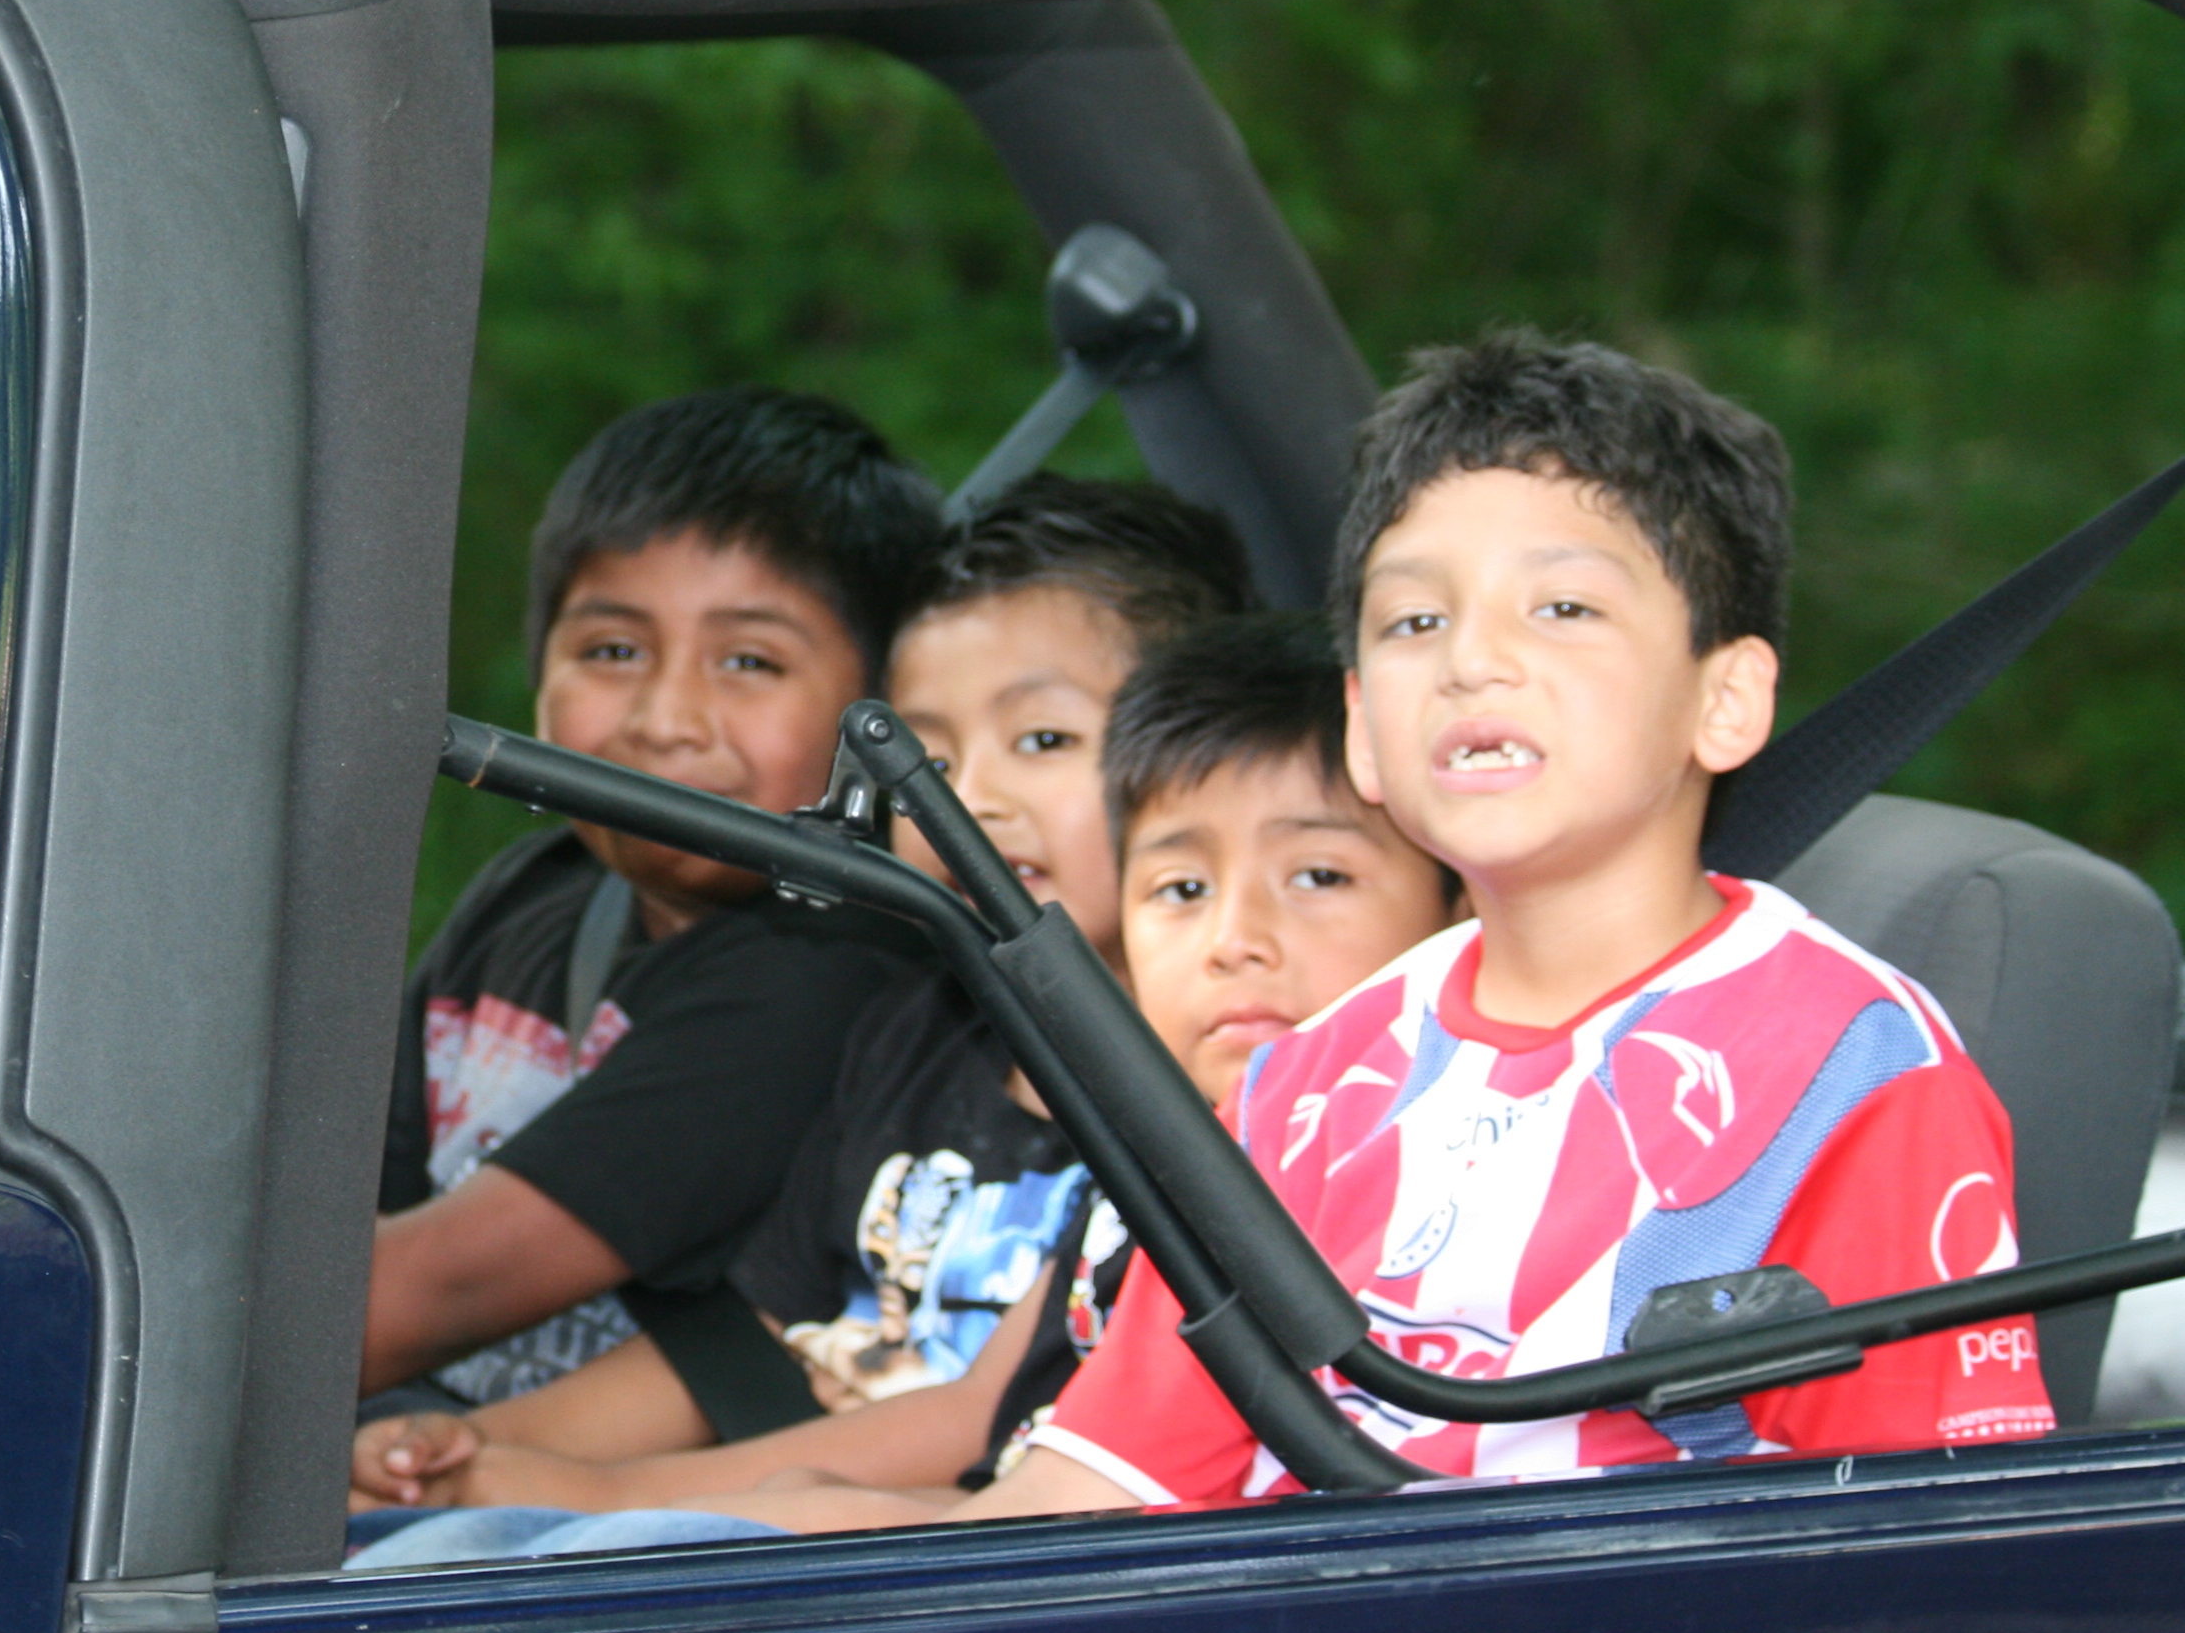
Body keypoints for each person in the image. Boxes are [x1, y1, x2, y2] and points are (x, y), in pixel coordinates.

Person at [961, 331, 2051, 1518]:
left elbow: (1923, 1547)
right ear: (1363, 728)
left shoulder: (1854, 1074)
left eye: (1563, 606)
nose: (1473, 660)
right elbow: (1097, 1482)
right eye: (1415, 622)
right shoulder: (1301, 1085)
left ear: (1726, 699)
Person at [354, 504, 1345, 1532]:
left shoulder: (1202, 1104)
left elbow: (977, 1420)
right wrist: (475, 1454)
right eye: (930, 764)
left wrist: (594, 1494)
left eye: (1043, 740)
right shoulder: (915, 1037)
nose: (975, 801)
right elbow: (759, 1329)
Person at [366, 386, 943, 1404]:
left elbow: (404, 1300)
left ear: (883, 716)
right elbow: (341, 1210)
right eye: (613, 651)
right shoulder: (532, 893)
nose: (667, 719)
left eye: (750, 661)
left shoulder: (830, 973)